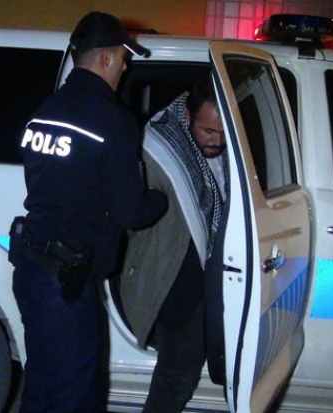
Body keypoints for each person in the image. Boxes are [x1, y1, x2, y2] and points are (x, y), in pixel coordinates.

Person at [8, 11, 168, 413]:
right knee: (76, 395)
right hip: (66, 280)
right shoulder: (113, 120)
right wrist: (161, 198)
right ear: (107, 58)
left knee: (42, 383)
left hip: (31, 269)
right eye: (123, 58)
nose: (125, 67)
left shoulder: (47, 107)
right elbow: (132, 213)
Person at [118, 80, 228, 413]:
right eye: (208, 131)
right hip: (169, 277)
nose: (217, 140)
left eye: (223, 132)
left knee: (182, 368)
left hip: (203, 276)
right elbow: (131, 214)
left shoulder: (223, 153)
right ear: (188, 117)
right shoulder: (159, 149)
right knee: (179, 372)